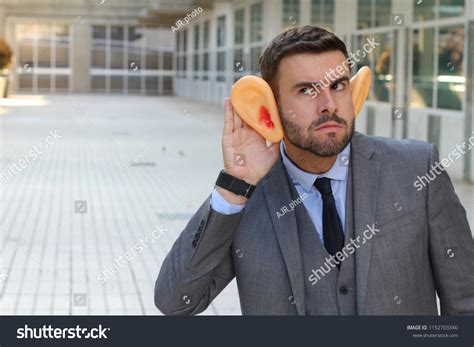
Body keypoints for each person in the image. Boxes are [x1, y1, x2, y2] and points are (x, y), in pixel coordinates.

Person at [155, 26, 474, 315]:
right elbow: (176, 302)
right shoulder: (246, 196)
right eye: (307, 90)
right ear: (271, 105)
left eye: (338, 86)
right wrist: (234, 185)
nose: (329, 105)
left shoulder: (417, 168)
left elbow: (465, 301)